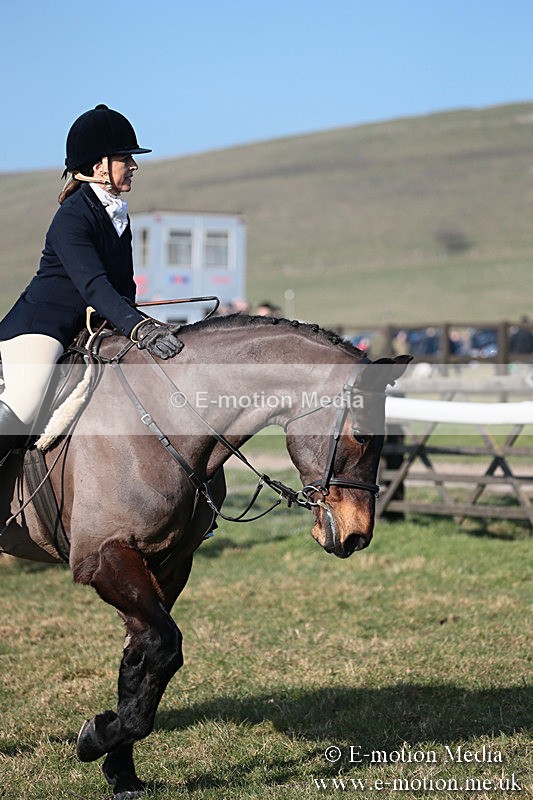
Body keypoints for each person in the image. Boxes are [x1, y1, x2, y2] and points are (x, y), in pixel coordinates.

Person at [0, 103, 183, 465]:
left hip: (89, 327)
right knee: (25, 403)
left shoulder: (117, 215)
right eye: (125, 158)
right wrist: (139, 328)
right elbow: (95, 286)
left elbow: (123, 288)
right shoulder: (72, 217)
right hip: (42, 327)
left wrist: (137, 320)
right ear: (100, 166)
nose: (134, 165)